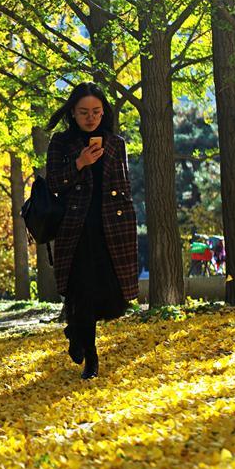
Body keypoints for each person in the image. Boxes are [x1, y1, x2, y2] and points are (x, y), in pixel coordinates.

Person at [45, 82, 139, 379]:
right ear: (72, 112)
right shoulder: (61, 143)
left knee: (109, 295)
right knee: (82, 291)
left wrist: (130, 222)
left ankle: (75, 330)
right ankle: (92, 359)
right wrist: (80, 162)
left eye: (96, 112)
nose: (90, 118)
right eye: (84, 112)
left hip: (111, 227)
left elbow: (123, 187)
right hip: (75, 229)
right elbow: (53, 184)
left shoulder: (115, 143)